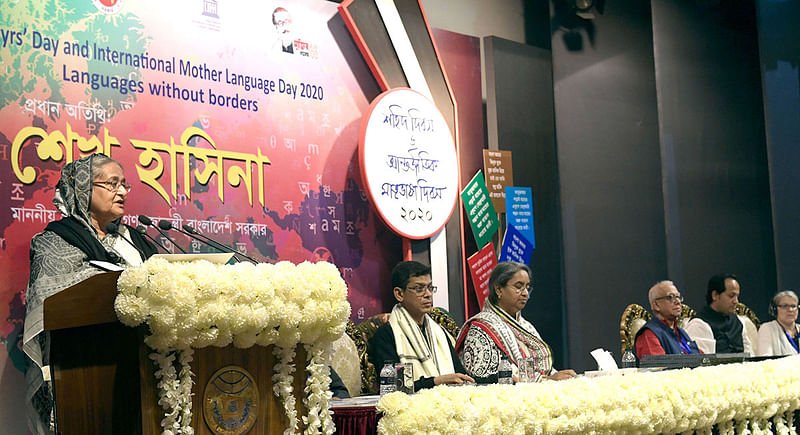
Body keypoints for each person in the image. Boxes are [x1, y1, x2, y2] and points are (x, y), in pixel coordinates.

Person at [22, 154, 155, 434]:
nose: (121, 192)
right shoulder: (53, 242)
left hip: (143, 362)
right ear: (83, 189)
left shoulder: (135, 240)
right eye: (111, 183)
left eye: (124, 184)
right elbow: (49, 300)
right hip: (84, 367)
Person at [456, 261, 576, 383]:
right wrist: (545, 381)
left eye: (527, 288)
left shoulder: (526, 326)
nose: (525, 293)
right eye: (518, 287)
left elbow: (543, 370)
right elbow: (483, 379)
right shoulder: (481, 327)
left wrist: (559, 378)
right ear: (498, 289)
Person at [367, 261, 474, 391]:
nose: (428, 294)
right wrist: (436, 381)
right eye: (419, 289)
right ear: (399, 294)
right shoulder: (387, 335)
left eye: (430, 287)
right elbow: (395, 387)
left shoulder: (439, 332)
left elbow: (459, 373)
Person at [685, 273, 753, 355]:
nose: (736, 301)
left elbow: (749, 354)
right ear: (715, 295)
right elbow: (702, 363)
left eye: (737, 296)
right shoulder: (699, 325)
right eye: (731, 296)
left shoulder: (737, 322)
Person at [634, 281, 700, 359]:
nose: (678, 302)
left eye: (678, 297)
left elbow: (700, 358)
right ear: (656, 305)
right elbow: (658, 368)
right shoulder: (649, 334)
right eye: (671, 297)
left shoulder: (681, 333)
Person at [756, 290, 800, 356]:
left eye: (793, 306)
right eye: (785, 306)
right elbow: (765, 359)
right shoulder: (767, 329)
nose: (790, 310)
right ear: (775, 309)